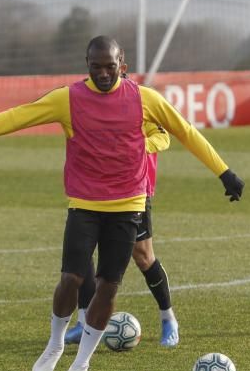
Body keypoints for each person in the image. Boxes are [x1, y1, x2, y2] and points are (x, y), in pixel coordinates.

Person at [0, 36, 243, 371]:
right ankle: (56, 343)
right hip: (84, 204)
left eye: (111, 66)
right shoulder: (69, 98)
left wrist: (224, 172)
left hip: (129, 205)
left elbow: (184, 131)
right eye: (96, 66)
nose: (104, 73)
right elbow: (18, 117)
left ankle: (81, 367)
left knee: (109, 287)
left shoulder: (144, 99)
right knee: (72, 279)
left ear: (123, 65)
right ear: (87, 65)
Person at [64, 122, 181, 348]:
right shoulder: (93, 104)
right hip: (96, 188)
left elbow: (163, 136)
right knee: (83, 249)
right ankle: (84, 321)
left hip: (134, 191)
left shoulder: (142, 102)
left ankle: (168, 319)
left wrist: (136, 147)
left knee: (143, 256)